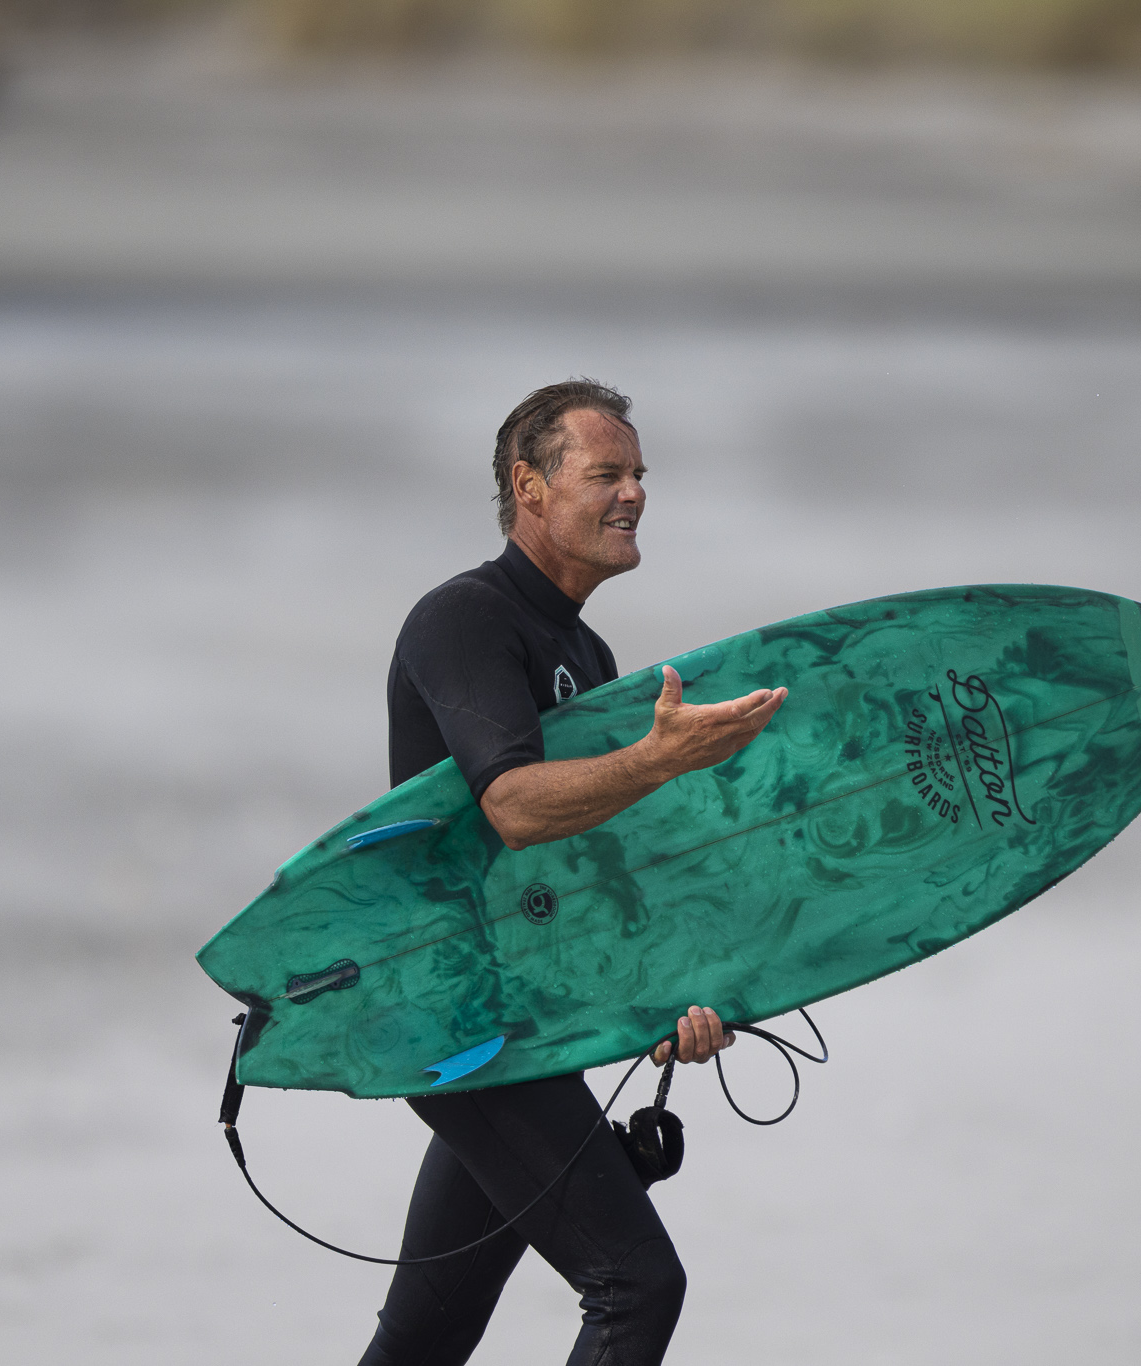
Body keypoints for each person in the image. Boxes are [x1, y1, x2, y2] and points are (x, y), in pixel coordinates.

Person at [362, 380, 789, 1366]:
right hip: (457, 1015)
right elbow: (512, 806)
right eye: (606, 474)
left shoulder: (584, 651)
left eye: (639, 474)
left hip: (528, 1023)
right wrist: (659, 759)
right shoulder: (464, 619)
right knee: (635, 1284)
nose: (633, 492)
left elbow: (591, 880)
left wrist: (667, 1002)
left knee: (424, 1341)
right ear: (530, 486)